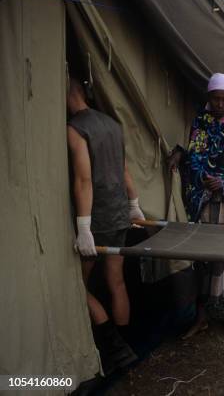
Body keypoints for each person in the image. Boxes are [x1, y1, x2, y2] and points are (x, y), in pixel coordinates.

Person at [67, 78, 146, 375]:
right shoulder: (112, 124)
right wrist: (133, 204)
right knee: (117, 281)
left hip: (97, 217)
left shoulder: (76, 129)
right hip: (118, 215)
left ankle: (113, 346)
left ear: (67, 94)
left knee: (76, 285)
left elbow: (83, 180)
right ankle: (126, 346)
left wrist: (83, 226)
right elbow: (124, 169)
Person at [169, 73, 224, 336]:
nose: (219, 104)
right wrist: (185, 158)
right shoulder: (200, 124)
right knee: (202, 257)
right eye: (215, 99)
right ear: (209, 98)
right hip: (204, 201)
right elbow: (195, 155)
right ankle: (202, 316)